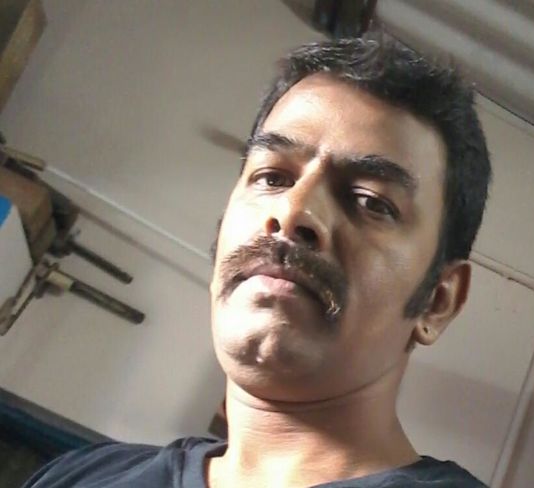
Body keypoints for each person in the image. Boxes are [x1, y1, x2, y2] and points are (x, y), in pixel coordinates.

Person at [24, 33, 491, 487]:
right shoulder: (80, 476)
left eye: (370, 201)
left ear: (437, 302)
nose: (292, 212)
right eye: (272, 177)